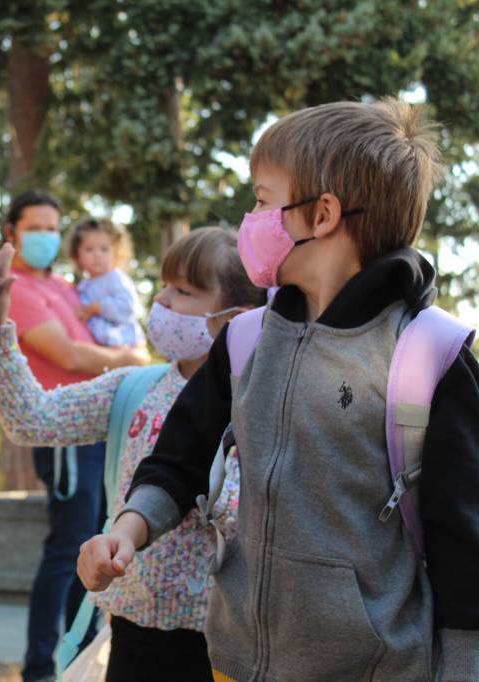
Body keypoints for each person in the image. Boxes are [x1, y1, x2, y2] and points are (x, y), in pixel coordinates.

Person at [78, 99, 479, 681]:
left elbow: (464, 540)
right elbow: (179, 459)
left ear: (321, 214)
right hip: (239, 663)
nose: (250, 218)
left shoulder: (428, 357)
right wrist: (127, 530)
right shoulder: (244, 341)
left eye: (263, 200)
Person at [0, 228, 263, 681]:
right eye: (166, 285)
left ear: (238, 318)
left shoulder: (264, 404)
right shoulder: (135, 386)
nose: (163, 301)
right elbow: (31, 418)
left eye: (184, 291)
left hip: (226, 641)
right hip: (132, 631)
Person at [0, 190, 149, 682]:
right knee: (66, 549)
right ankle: (40, 667)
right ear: (11, 232)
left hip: (96, 433)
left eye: (51, 228)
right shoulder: (16, 288)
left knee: (87, 544)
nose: (45, 236)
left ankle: (75, 655)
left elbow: (99, 338)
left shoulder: (68, 287)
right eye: (35, 227)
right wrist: (131, 359)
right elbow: (69, 355)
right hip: (63, 433)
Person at [68, 217, 146, 348]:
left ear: (116, 253)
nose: (97, 255)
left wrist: (99, 307)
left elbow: (128, 307)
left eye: (104, 249)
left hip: (125, 342)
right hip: (100, 348)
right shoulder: (83, 286)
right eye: (89, 249)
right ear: (77, 256)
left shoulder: (116, 278)